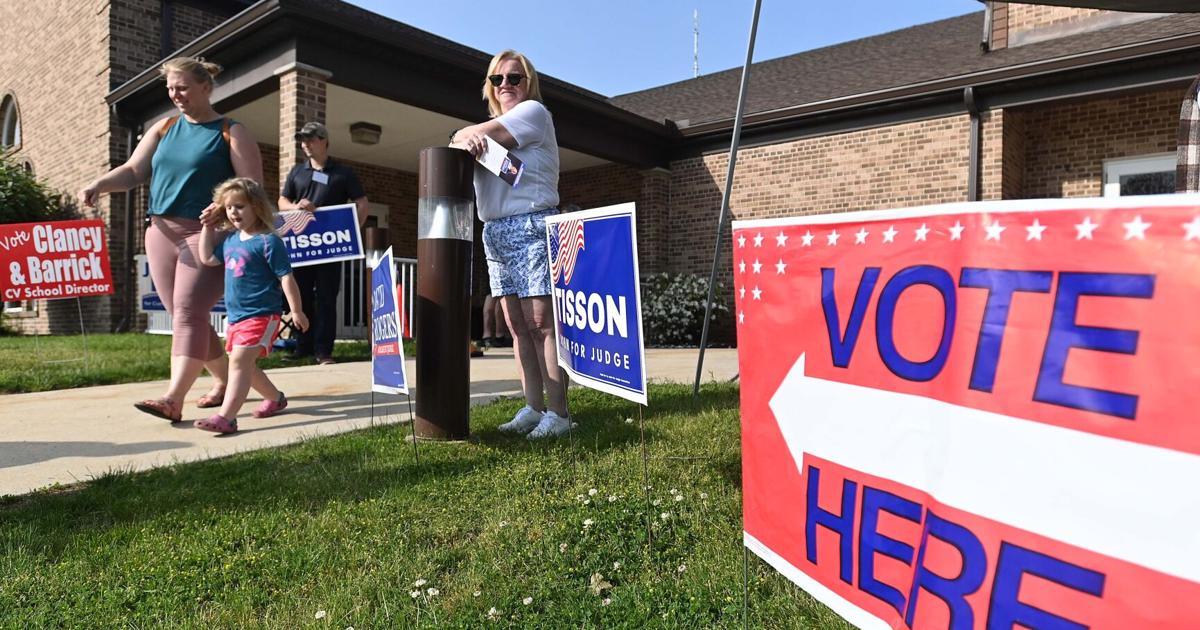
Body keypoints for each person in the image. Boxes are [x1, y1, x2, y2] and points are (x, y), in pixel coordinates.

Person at [80, 57, 263, 422]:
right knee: (186, 315)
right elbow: (134, 171)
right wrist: (100, 183)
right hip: (159, 233)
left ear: (205, 88)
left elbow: (252, 188)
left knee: (188, 313)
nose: (174, 94)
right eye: (170, 89)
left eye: (181, 87)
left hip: (206, 232)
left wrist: (222, 207)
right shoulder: (163, 128)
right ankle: (232, 382)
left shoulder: (230, 130)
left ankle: (173, 398)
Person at [451, 50, 569, 440]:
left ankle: (560, 413)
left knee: (541, 324)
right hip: (496, 230)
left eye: (514, 78)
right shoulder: (488, 127)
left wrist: (467, 137)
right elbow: (458, 142)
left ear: (528, 82)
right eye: (497, 79)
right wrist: (464, 137)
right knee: (516, 327)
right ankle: (533, 407)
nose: (506, 85)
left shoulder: (534, 113)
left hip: (531, 224)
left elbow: (472, 137)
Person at [197, 178, 308, 433]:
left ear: (256, 206)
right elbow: (207, 258)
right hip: (236, 316)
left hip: (262, 315)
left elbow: (286, 276)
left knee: (238, 362)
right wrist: (207, 227)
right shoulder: (231, 241)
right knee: (246, 365)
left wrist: (296, 310)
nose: (234, 212)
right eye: (229, 208)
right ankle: (275, 398)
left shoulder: (269, 241)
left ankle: (226, 417)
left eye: (240, 206)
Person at [277, 121, 369, 365]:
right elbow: (282, 201)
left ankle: (323, 351)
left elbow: (362, 203)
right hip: (303, 245)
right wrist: (295, 207)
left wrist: (352, 230)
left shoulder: (343, 173)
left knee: (327, 297)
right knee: (302, 295)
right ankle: (302, 346)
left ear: (324, 141)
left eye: (311, 139)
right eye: (302, 140)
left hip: (329, 246)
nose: (305, 144)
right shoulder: (298, 172)